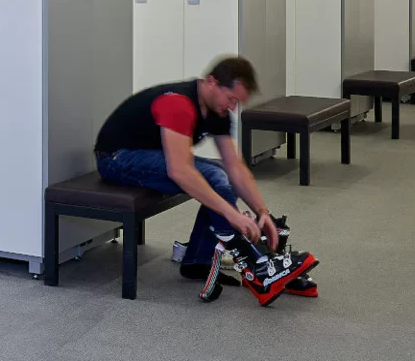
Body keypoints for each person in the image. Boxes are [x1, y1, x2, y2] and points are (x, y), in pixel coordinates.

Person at [92, 56, 318, 306]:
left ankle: (199, 261)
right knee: (212, 176)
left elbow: (235, 167)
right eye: (231, 99)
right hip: (116, 159)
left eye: (237, 102)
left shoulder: (216, 110)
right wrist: (233, 216)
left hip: (146, 157)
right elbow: (180, 171)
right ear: (212, 82)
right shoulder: (178, 104)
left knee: (220, 174)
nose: (232, 107)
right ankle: (256, 265)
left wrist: (262, 211)